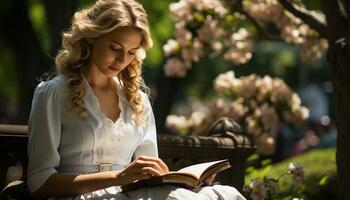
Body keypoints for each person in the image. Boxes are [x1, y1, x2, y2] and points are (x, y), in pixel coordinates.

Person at [26, 0, 246, 199]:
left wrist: (185, 182)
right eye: (115, 48)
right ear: (92, 36)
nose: (122, 60)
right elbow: (39, 182)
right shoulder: (53, 93)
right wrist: (118, 177)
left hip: (129, 195)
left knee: (222, 194)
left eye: (132, 52)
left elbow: (147, 172)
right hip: (80, 197)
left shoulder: (137, 100)